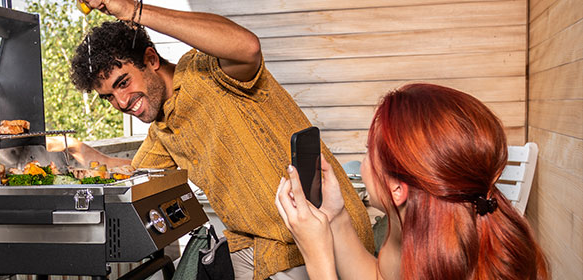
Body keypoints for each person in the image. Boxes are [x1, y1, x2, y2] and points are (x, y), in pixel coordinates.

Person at [53, 1, 374, 279]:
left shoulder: (207, 70)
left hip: (321, 238)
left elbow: (247, 46)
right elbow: (132, 173)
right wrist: (80, 152)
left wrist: (134, 10)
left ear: (150, 59)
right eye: (109, 97)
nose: (121, 102)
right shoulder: (162, 132)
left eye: (123, 83)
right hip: (256, 249)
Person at [274, 83, 549, 280]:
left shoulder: (450, 267)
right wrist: (336, 215)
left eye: (370, 152)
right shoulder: (412, 224)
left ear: (397, 189)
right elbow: (378, 276)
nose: (364, 160)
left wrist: (317, 257)